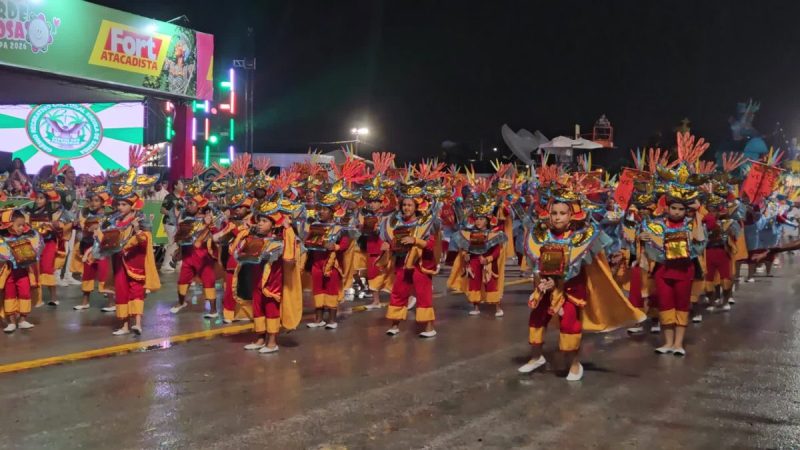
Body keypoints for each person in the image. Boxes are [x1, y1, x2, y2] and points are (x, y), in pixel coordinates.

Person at [519, 186, 645, 380]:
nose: (557, 217)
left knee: (569, 324)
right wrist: (541, 281)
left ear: (572, 215)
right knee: (536, 319)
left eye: (563, 213)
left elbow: (578, 266)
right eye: (554, 213)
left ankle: (574, 363)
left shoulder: (581, 238)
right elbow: (537, 263)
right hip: (545, 289)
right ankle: (536, 357)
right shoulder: (543, 235)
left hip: (571, 291)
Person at [96, 146, 161, 335]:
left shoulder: (140, 220)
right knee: (121, 290)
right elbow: (107, 238)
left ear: (133, 204)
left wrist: (133, 238)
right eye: (119, 203)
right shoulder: (114, 220)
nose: (120, 206)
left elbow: (146, 239)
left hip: (135, 260)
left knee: (136, 291)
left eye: (124, 204)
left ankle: (137, 323)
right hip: (119, 261)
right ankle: (124, 324)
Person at [640, 178, 706, 356]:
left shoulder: (691, 225)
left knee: (682, 306)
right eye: (674, 208)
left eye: (681, 209)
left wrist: (698, 212)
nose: (677, 212)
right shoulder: (657, 226)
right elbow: (649, 249)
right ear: (667, 208)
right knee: (665, 306)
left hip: (684, 271)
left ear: (686, 210)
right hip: (663, 271)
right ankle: (668, 342)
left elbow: (700, 243)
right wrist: (644, 239)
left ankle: (678, 344)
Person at [239, 195, 303, 353]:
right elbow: (239, 251)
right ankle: (260, 338)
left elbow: (289, 257)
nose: (259, 224)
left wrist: (288, 229)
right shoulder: (256, 237)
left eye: (264, 221)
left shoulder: (281, 240)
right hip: (257, 279)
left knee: (271, 309)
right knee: (258, 307)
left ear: (274, 226)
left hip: (272, 281)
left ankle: (272, 342)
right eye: (259, 220)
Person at [384, 180, 441, 338]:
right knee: (398, 292)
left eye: (409, 205)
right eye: (404, 205)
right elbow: (394, 242)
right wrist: (388, 247)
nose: (406, 208)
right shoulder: (396, 223)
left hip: (420, 265)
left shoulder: (426, 223)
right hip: (403, 263)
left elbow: (430, 244)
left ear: (416, 207)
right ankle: (395, 325)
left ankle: (429, 328)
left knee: (423, 295)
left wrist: (415, 240)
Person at [447, 192, 507, 317]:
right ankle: (475, 306)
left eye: (481, 219)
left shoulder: (494, 234)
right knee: (474, 283)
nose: (478, 222)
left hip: (488, 264)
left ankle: (497, 307)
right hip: (473, 262)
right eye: (477, 219)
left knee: (490, 284)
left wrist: (489, 258)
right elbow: (465, 248)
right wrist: (465, 255)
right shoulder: (469, 233)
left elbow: (497, 251)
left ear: (487, 220)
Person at [1, 209, 43, 333]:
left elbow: (37, 247)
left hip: (24, 272)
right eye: (18, 225)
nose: (21, 228)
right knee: (9, 296)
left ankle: (22, 320)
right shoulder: (3, 239)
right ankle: (12, 322)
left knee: (25, 294)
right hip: (9, 273)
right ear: (9, 225)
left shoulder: (28, 236)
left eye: (23, 225)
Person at [70, 187, 112, 311]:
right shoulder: (85, 214)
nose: (93, 203)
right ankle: (85, 302)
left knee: (104, 274)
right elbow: (83, 229)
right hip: (88, 247)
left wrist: (98, 228)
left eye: (96, 201)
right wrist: (78, 225)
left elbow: (110, 232)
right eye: (91, 200)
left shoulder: (108, 216)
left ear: (103, 202)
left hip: (102, 249)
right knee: (87, 274)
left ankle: (111, 303)